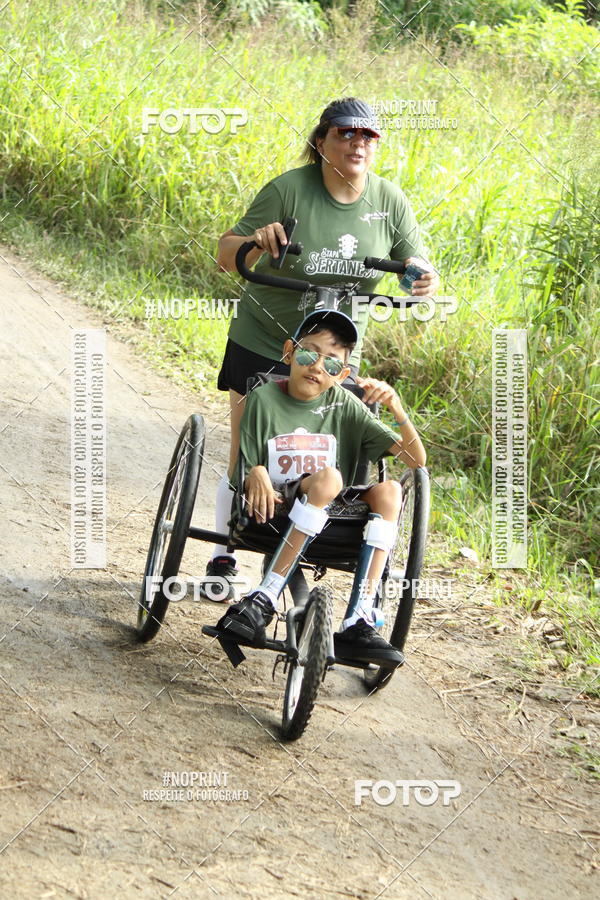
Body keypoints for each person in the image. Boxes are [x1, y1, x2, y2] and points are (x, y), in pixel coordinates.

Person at [202, 96, 438, 601]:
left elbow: (413, 258)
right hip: (267, 337)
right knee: (249, 443)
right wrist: (253, 243)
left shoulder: (389, 201)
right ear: (322, 141)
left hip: (329, 353)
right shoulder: (289, 189)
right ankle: (227, 543)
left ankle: (317, 527)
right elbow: (226, 253)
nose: (358, 143)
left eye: (368, 136)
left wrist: (423, 277)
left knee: (325, 444)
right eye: (346, 133)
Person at [209, 308, 426, 666]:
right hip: (273, 506)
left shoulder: (346, 405)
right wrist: (257, 471)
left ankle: (360, 616)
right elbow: (242, 466)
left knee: (390, 491)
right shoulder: (263, 400)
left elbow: (416, 461)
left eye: (330, 364)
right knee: (330, 477)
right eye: (309, 354)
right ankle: (265, 596)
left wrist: (396, 408)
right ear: (289, 352)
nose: (315, 367)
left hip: (331, 511)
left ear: (342, 374)